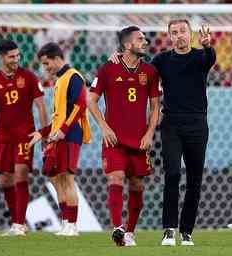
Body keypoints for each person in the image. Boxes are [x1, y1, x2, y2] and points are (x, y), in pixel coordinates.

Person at [88, 26, 161, 246]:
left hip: (140, 140)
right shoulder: (108, 69)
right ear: (127, 45)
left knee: (137, 186)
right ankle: (117, 227)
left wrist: (150, 133)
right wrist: (104, 127)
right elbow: (90, 101)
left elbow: (156, 106)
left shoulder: (149, 72)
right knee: (115, 177)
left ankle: (129, 232)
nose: (145, 42)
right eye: (140, 39)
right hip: (114, 140)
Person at [151, 20, 216, 246]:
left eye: (183, 32)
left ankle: (186, 231)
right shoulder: (161, 60)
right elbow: (144, 76)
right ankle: (169, 229)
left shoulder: (201, 57)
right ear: (169, 36)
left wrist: (208, 45)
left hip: (197, 123)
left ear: (190, 34)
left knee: (195, 180)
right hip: (171, 124)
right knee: (172, 174)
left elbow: (211, 59)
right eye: (174, 32)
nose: (179, 36)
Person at [28, 42, 91, 236]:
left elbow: (80, 105)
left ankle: (72, 225)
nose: (45, 68)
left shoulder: (73, 76)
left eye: (47, 63)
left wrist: (63, 130)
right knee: (57, 179)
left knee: (68, 178)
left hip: (71, 134)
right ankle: (65, 222)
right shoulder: (60, 79)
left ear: (57, 58)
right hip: (59, 135)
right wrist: (44, 132)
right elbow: (59, 115)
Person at [0, 39, 48, 236]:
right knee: (5, 181)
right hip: (3, 136)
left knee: (20, 173)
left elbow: (41, 105)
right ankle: (18, 222)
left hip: (25, 134)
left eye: (18, 55)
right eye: (12, 56)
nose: (16, 59)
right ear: (1, 57)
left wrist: (44, 133)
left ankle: (18, 225)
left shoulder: (29, 77)